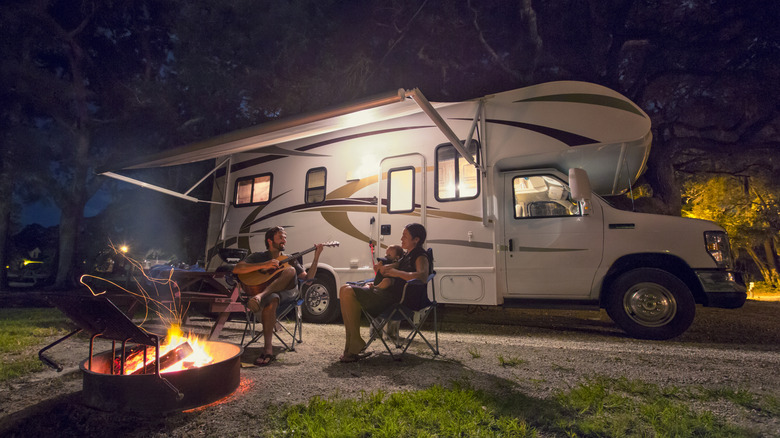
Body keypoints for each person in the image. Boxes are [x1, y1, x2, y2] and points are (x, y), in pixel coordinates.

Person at [338, 223, 430, 363]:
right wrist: (386, 268)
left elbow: (422, 276)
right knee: (344, 289)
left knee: (349, 292)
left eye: (405, 236)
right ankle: (351, 343)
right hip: (387, 295)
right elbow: (396, 267)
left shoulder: (420, 255)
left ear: (416, 239)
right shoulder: (407, 255)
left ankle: (354, 343)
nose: (401, 238)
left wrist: (396, 273)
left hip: (396, 300)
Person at [233, 226, 324, 366]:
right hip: (272, 294)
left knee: (290, 270)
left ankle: (259, 297)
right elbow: (237, 268)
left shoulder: (290, 258)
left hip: (288, 293)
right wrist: (264, 264)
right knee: (272, 299)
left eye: (285, 237)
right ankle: (267, 350)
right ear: (270, 241)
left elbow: (308, 278)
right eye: (280, 237)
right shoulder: (259, 256)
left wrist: (316, 257)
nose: (284, 240)